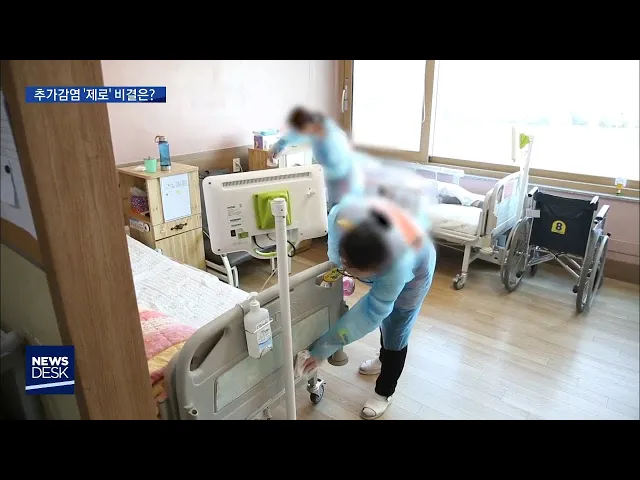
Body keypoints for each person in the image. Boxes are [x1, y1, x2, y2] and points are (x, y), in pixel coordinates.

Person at [298, 193, 437, 420]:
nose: (348, 270)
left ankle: (384, 392)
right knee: (386, 323)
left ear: (379, 269)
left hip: (416, 275)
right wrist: (341, 269)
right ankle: (382, 359)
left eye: (357, 271)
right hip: (379, 253)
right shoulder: (341, 216)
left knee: (396, 328)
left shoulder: (399, 265)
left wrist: (325, 346)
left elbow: (371, 312)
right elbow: (335, 254)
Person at [269, 106, 364, 208]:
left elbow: (337, 165)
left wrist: (312, 173)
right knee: (333, 206)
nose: (302, 134)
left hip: (345, 178)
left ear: (307, 125)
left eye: (301, 130)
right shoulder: (314, 129)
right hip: (332, 178)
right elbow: (293, 136)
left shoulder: (332, 138)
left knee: (341, 208)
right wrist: (278, 146)